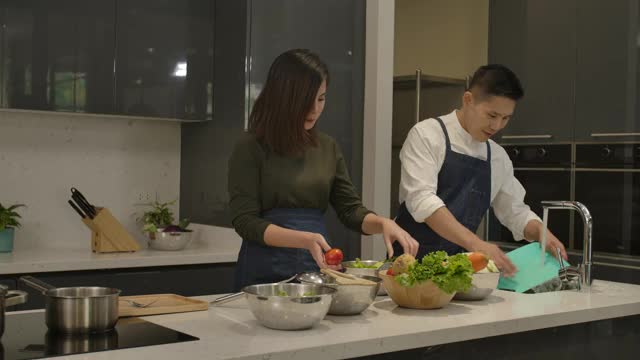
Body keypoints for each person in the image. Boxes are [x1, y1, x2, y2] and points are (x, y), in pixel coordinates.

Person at [229, 49, 419, 290]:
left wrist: (383, 223)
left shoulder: (327, 146)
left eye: (321, 98)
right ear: (282, 99)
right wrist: (303, 239)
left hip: (316, 266)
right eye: (305, 101)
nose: (315, 109)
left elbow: (350, 210)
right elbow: (244, 221)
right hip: (263, 268)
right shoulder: (249, 148)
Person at [394, 64, 567, 276]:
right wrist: (476, 243)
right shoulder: (427, 135)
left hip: (459, 272)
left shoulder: (497, 156)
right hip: (409, 268)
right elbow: (422, 201)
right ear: (468, 100)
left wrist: (540, 232)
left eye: (505, 118)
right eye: (492, 115)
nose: (497, 126)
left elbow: (515, 211)